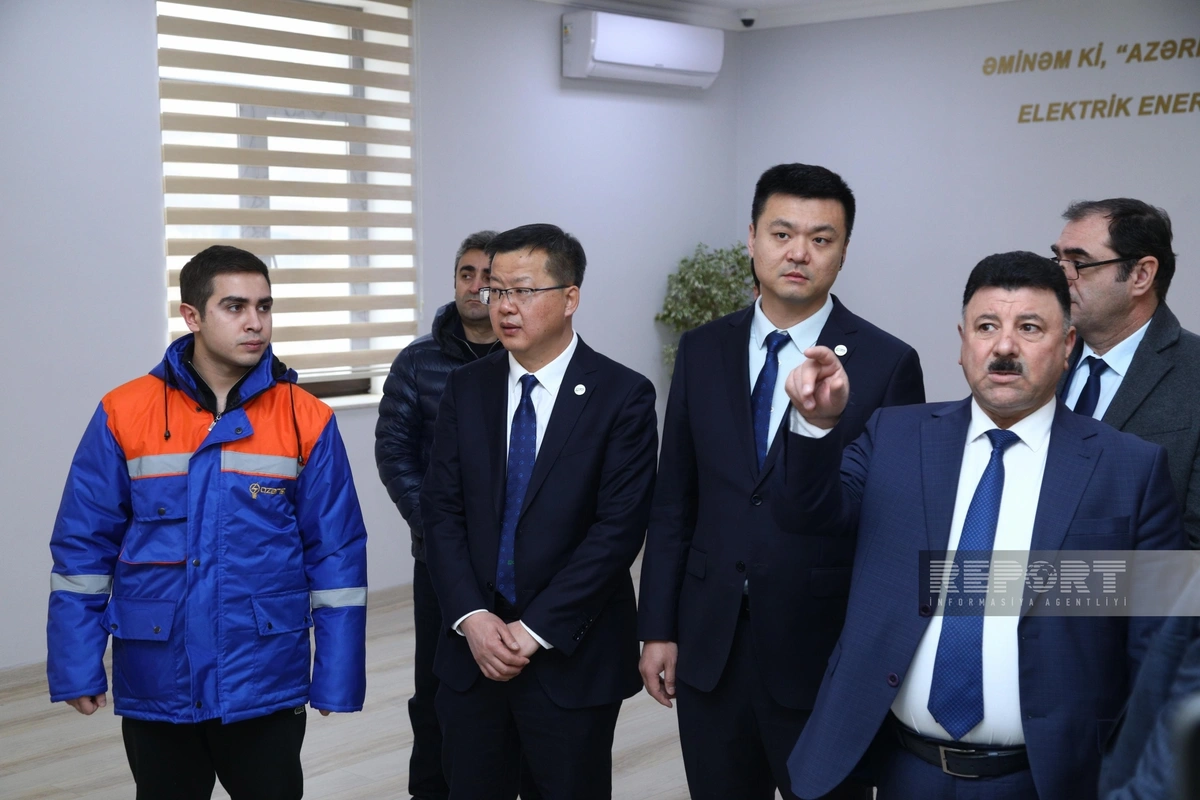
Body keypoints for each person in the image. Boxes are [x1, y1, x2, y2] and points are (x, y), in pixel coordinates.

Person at [782, 251, 1184, 800]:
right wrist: (815, 424)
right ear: (963, 341)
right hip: (905, 769)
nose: (1004, 347)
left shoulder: (1130, 468)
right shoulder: (894, 437)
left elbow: (1160, 643)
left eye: (1030, 328)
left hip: (1052, 779)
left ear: (1067, 345)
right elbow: (810, 518)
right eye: (987, 326)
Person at [636, 163, 924, 800]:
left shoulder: (887, 364)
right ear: (752, 238)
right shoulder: (702, 349)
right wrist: (657, 626)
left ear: (843, 251)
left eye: (821, 239)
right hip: (710, 642)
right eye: (782, 233)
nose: (799, 253)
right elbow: (675, 498)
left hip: (821, 651)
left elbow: (891, 524)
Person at [47, 245, 369, 800]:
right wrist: (76, 663)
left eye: (264, 306)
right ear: (192, 315)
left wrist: (337, 673)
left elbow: (336, 554)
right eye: (235, 307)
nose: (255, 322)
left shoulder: (306, 418)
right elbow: (83, 548)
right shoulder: (124, 412)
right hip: (159, 672)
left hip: (262, 674)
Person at [420, 224, 658, 799]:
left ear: (570, 297)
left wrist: (534, 630)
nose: (504, 306)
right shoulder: (467, 388)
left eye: (523, 291)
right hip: (473, 654)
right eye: (496, 291)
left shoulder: (623, 396)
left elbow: (616, 531)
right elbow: (441, 511)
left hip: (570, 655)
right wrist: (472, 617)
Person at [376, 230, 503, 800]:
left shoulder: (526, 358)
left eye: (489, 277)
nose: (477, 286)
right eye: (466, 274)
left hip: (513, 560)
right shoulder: (418, 361)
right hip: (438, 560)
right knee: (435, 686)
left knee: (506, 686)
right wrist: (435, 529)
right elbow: (393, 451)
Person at [1053, 198, 1200, 547]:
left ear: (1141, 275)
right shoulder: (1042, 357)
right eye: (1057, 261)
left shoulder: (1193, 372)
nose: (1059, 278)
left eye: (1078, 263)